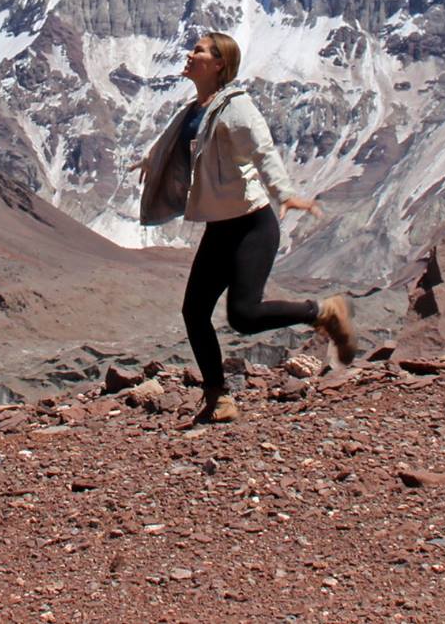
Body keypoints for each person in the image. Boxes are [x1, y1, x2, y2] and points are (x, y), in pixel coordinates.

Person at [137, 32, 357, 423]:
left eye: (200, 51)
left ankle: (324, 311)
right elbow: (175, 144)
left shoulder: (237, 108)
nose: (190, 54)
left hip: (252, 226)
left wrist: (285, 194)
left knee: (244, 314)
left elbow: (263, 149)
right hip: (220, 228)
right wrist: (150, 163)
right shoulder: (194, 110)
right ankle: (218, 397)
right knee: (194, 311)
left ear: (219, 64)